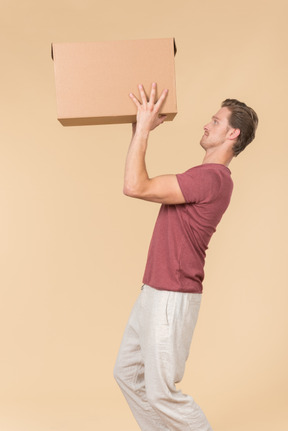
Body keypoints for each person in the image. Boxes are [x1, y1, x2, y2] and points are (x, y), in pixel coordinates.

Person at [114, 83, 258, 431]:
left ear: (232, 133)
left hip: (171, 296)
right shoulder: (203, 176)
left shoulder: (212, 179)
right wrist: (139, 129)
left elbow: (135, 185)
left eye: (215, 121)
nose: (206, 125)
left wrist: (145, 129)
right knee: (128, 374)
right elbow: (139, 182)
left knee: (161, 392)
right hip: (154, 291)